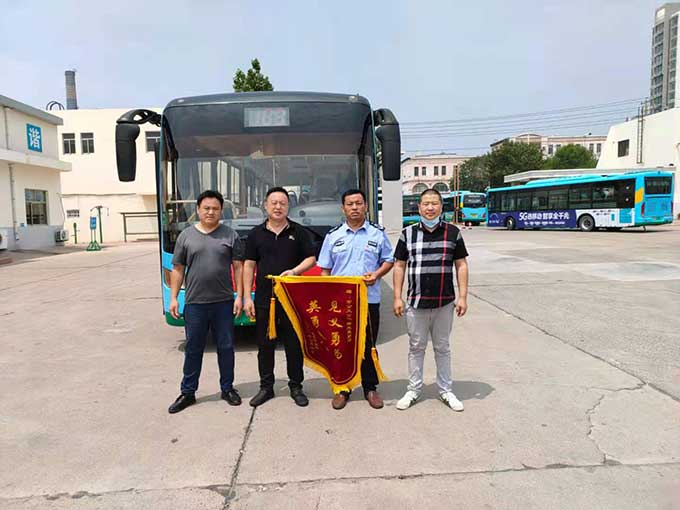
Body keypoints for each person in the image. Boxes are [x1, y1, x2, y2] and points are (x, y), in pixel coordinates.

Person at [392, 188, 470, 412]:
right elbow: (399, 266)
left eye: (434, 203)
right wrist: (397, 297)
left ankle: (445, 390)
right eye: (425, 204)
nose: (430, 208)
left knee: (442, 347)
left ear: (441, 207)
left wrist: (463, 297)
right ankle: (414, 389)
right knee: (416, 347)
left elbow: (461, 265)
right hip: (416, 303)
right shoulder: (407, 234)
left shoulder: (453, 233)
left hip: (444, 302)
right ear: (419, 208)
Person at [168, 190, 244, 414]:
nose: (211, 212)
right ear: (198, 210)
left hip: (223, 302)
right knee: (193, 348)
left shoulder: (230, 235)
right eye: (206, 208)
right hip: (195, 303)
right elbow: (178, 268)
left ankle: (227, 388)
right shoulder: (186, 236)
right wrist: (174, 298)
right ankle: (188, 392)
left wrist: (240, 296)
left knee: (226, 348)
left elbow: (238, 267)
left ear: (221, 211)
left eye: (215, 208)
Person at [318, 189, 394, 410]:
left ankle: (370, 388)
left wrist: (377, 274)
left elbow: (389, 260)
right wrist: (328, 294)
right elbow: (325, 269)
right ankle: (342, 388)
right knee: (342, 346)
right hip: (340, 303)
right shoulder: (333, 236)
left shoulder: (377, 234)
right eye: (350, 204)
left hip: (368, 300)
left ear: (366, 207)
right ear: (343, 208)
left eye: (358, 203)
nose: (354, 208)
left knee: (368, 345)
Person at [243, 187, 317, 407]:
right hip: (265, 299)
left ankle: (296, 386)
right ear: (265, 206)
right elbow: (249, 265)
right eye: (273, 203)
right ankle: (266, 387)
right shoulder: (256, 234)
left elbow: (311, 258)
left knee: (294, 345)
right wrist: (247, 297)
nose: (278, 207)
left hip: (292, 299)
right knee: (265, 345)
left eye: (282, 203)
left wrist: (294, 271)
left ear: (288, 206)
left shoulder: (299, 231)